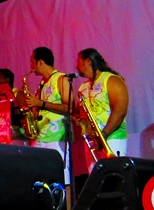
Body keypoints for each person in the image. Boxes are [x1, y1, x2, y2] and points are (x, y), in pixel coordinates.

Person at [25, 47, 71, 183]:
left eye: (32, 62)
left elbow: (69, 107)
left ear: (40, 62)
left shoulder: (61, 78)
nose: (31, 66)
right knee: (38, 176)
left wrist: (40, 103)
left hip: (56, 138)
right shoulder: (42, 83)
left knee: (61, 177)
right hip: (40, 136)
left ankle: (66, 198)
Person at [76, 48, 129, 159]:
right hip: (92, 141)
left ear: (88, 61)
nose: (76, 66)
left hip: (111, 138)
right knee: (94, 170)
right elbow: (79, 113)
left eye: (78, 62)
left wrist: (103, 136)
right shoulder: (83, 87)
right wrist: (77, 118)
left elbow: (120, 112)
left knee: (113, 169)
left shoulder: (112, 80)